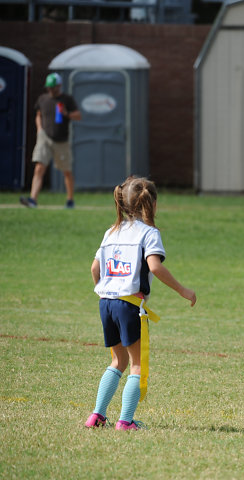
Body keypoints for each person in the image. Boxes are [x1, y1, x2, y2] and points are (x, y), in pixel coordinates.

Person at [85, 176, 196, 431]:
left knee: (118, 362)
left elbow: (94, 268)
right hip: (128, 305)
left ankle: (97, 416)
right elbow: (154, 267)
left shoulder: (111, 232)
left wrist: (104, 290)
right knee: (136, 365)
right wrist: (183, 290)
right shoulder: (149, 233)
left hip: (106, 303)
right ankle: (125, 421)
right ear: (152, 204)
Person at [20, 73, 82, 209]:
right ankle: (32, 200)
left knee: (67, 171)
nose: (50, 90)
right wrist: (39, 129)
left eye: (53, 87)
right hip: (45, 137)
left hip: (62, 140)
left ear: (59, 86)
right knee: (39, 167)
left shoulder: (67, 99)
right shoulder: (42, 99)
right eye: (49, 87)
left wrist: (66, 113)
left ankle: (70, 200)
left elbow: (78, 116)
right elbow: (38, 115)